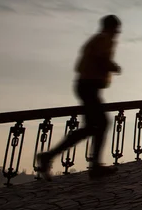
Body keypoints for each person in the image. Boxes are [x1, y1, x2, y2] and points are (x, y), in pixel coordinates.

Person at [37, 15, 122, 180]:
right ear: (111, 28)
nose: (117, 33)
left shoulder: (96, 39)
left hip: (85, 86)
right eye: (116, 29)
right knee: (100, 124)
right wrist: (114, 66)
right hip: (88, 86)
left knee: (92, 126)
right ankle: (92, 165)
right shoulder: (103, 39)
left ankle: (51, 157)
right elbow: (100, 59)